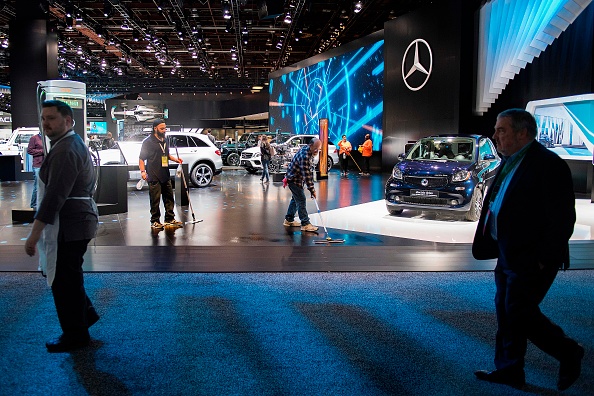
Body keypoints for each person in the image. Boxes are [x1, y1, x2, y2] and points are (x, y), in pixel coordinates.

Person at [472, 109, 583, 391]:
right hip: (507, 252)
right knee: (506, 311)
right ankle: (509, 369)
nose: (495, 135)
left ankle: (568, 351)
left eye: (502, 130)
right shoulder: (510, 161)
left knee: (519, 311)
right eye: (496, 130)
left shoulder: (548, 165)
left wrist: (545, 260)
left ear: (523, 133)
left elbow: (561, 219)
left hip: (533, 258)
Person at [24, 100, 99, 353]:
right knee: (68, 276)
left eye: (52, 118)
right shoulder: (67, 144)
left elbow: (54, 196)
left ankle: (76, 335)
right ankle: (83, 318)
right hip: (76, 222)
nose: (46, 123)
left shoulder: (66, 148)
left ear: (68, 121)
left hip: (71, 224)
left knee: (64, 280)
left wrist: (33, 235)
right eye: (44, 118)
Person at [139, 119, 183, 230]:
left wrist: (176, 160)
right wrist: (143, 172)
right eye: (162, 128)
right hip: (153, 174)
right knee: (155, 199)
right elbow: (141, 158)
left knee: (169, 197)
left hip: (165, 173)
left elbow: (166, 154)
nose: (164, 130)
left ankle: (169, 218)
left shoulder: (164, 140)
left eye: (165, 128)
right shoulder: (147, 142)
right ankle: (155, 221)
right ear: (155, 128)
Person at [283, 138, 321, 232]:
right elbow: (307, 175)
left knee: (295, 199)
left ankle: (289, 219)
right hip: (294, 179)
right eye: (316, 148)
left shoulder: (307, 150)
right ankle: (305, 224)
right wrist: (312, 190)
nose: (317, 151)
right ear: (310, 145)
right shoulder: (305, 156)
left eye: (319, 149)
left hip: (295, 178)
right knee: (301, 200)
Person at [26, 130, 44, 209]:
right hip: (38, 165)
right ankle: (34, 205)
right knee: (37, 186)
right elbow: (29, 150)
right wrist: (42, 151)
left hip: (47, 165)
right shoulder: (34, 138)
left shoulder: (48, 138)